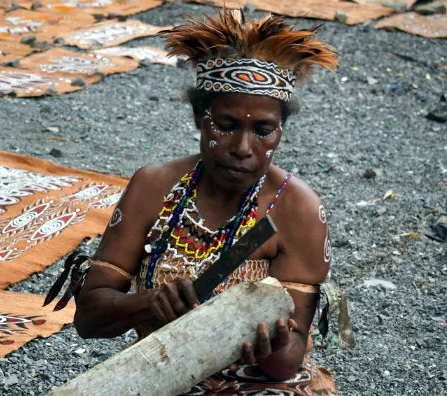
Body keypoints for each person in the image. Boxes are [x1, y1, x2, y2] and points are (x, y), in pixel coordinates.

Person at [65, 8, 339, 395]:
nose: (243, 148)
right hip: (163, 373)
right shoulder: (153, 187)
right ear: (199, 118)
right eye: (225, 126)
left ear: (280, 131)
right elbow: (90, 318)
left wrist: (271, 345)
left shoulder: (297, 209)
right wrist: (149, 302)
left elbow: (287, 361)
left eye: (263, 131)